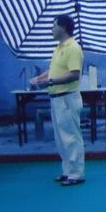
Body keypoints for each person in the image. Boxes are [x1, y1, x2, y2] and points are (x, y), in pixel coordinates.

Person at [31, 14, 85, 187]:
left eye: (54, 26)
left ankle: (77, 173)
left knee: (71, 137)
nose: (52, 29)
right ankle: (68, 170)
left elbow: (74, 74)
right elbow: (53, 70)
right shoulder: (59, 47)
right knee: (61, 138)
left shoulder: (73, 48)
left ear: (64, 27)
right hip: (57, 98)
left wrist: (50, 82)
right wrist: (40, 78)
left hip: (67, 98)